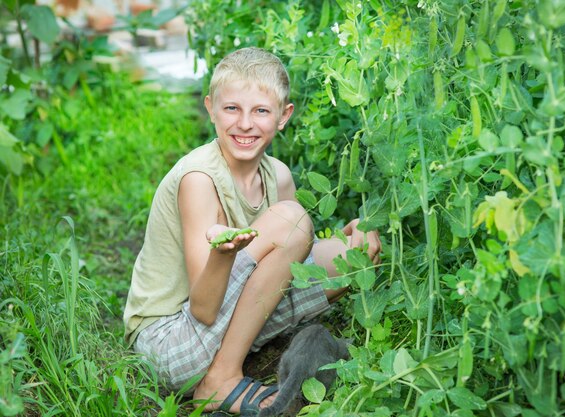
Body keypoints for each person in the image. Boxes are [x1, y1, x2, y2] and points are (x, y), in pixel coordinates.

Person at [123, 47, 381, 415]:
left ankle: (231, 360)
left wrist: (344, 241)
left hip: (223, 328)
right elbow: (204, 309)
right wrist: (222, 255)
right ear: (211, 108)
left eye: (260, 110)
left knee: (347, 258)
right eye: (232, 109)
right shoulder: (199, 179)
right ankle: (220, 378)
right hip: (170, 344)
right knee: (291, 218)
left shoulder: (277, 175)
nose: (245, 124)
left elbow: (293, 263)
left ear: (283, 116)